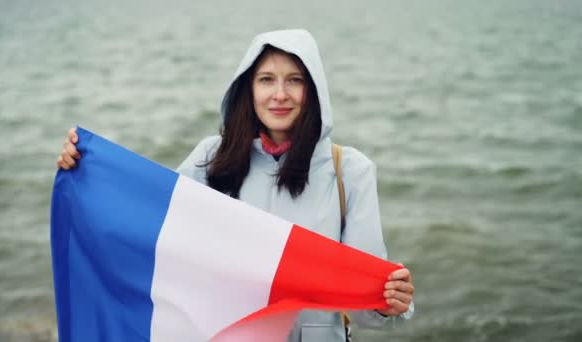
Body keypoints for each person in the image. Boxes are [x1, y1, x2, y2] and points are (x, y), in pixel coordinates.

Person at [57, 29, 414, 342]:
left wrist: (390, 303)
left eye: (295, 80)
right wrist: (85, 169)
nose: (280, 94)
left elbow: (367, 308)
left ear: (315, 89)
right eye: (266, 80)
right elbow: (154, 231)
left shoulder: (350, 171)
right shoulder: (211, 158)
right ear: (247, 88)